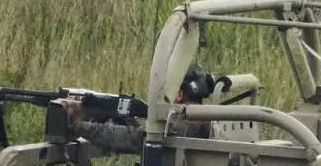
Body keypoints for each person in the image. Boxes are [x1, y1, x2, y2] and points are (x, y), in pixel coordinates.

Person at [61, 64, 221, 154]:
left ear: (179, 94)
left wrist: (78, 125)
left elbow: (134, 139)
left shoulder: (185, 121)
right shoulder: (202, 116)